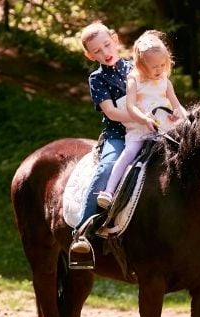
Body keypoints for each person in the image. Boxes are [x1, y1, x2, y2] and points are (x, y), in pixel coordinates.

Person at [96, 30, 186, 209]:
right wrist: (144, 119)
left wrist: (182, 116)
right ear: (141, 65)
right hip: (140, 129)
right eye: (154, 67)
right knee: (128, 153)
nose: (159, 70)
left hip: (163, 129)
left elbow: (176, 104)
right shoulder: (134, 80)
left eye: (162, 65)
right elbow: (130, 106)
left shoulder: (165, 81)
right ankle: (109, 190)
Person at [70, 22, 134, 255]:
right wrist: (140, 116)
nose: (105, 53)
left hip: (149, 129)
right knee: (107, 167)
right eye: (97, 51)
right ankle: (83, 231)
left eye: (107, 45)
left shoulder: (135, 68)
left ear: (115, 40)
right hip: (119, 135)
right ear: (89, 55)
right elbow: (111, 112)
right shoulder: (97, 78)